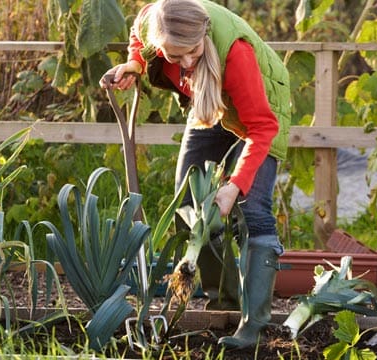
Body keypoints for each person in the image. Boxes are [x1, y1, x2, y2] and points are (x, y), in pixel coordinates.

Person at [100, 0, 290, 349]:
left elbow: (263, 127)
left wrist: (235, 186)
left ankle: (253, 326)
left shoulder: (236, 55)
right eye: (174, 56)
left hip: (259, 109)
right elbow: (138, 41)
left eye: (193, 51)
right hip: (208, 101)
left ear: (203, 34)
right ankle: (225, 306)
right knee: (190, 206)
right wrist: (134, 63)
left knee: (254, 210)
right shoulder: (151, 21)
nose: (186, 62)